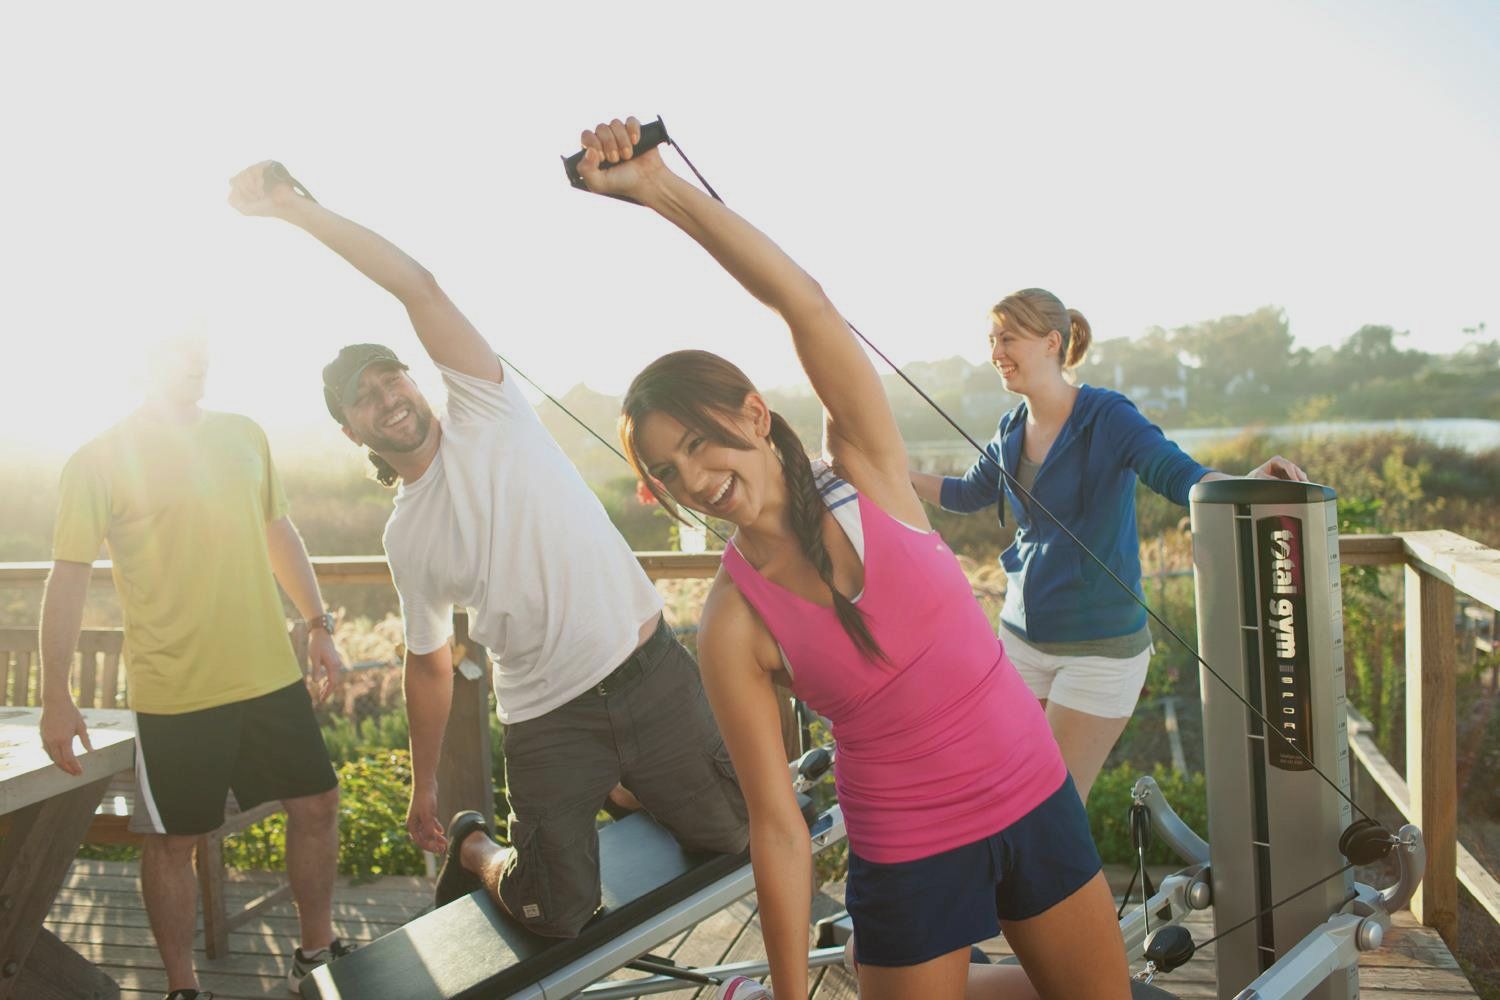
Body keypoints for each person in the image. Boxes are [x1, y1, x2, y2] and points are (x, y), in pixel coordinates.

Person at [580, 117, 1132, 1000]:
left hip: (1033, 795)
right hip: (907, 851)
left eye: (698, 442)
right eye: (667, 469)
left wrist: (661, 190)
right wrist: (791, 993)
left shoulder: (866, 472)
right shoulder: (733, 622)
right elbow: (776, 825)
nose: (695, 476)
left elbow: (804, 304)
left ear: (756, 414)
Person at [227, 160, 749, 940]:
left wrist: (298, 211)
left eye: (388, 379)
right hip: (547, 717)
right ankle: (479, 847)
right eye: (363, 399)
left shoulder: (485, 405)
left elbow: (417, 286)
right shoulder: (404, 534)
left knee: (736, 838)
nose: (385, 399)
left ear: (415, 379)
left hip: (649, 676)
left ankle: (631, 787)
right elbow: (429, 662)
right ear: (351, 430)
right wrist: (427, 789)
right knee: (554, 913)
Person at [39, 335, 349, 1000]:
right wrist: (55, 693)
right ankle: (182, 988)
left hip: (270, 674)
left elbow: (278, 530)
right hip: (175, 691)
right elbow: (67, 577)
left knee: (318, 804)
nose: (194, 357)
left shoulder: (244, 434)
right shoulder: (97, 459)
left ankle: (317, 951)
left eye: (199, 344)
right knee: (174, 841)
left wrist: (318, 625)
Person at [911, 289, 1307, 804]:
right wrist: (894, 473)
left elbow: (1174, 472)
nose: (996, 353)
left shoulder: (1107, 416)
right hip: (1021, 643)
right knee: (1005, 797)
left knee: (1051, 809)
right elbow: (966, 493)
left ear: (1051, 342)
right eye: (991, 340)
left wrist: (1243, 482)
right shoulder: (1009, 431)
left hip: (1098, 652)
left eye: (1007, 338)